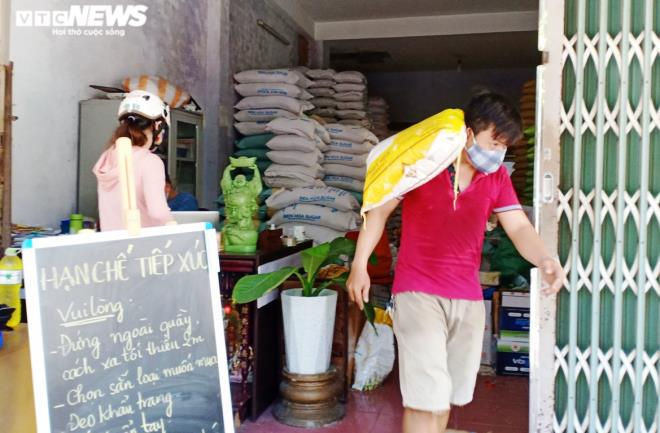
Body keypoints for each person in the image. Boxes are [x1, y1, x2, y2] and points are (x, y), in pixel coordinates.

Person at [347, 91, 565, 433]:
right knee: (425, 399)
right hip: (417, 292)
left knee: (444, 396)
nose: (497, 153)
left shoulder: (497, 178)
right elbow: (379, 211)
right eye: (493, 142)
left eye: (504, 146)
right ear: (468, 133)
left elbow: (519, 227)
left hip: (467, 298)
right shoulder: (425, 163)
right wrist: (359, 265)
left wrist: (545, 259)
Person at [93, 90, 174, 231]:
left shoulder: (107, 157)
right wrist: (175, 226)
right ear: (157, 126)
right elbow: (158, 213)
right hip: (143, 242)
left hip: (112, 242)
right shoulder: (150, 161)